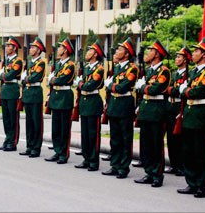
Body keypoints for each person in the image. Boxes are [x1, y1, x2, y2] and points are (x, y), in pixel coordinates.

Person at [134, 39, 170, 188]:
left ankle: (157, 174)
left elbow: (156, 89)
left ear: (156, 54)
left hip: (157, 111)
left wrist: (143, 87)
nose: (147, 54)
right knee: (146, 144)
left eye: (150, 52)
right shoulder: (149, 71)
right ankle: (149, 172)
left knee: (156, 144)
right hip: (147, 110)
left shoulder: (164, 71)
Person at [177, 37, 205, 198]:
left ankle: (202, 185)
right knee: (188, 151)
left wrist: (184, 90)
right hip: (190, 114)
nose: (193, 54)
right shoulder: (194, 72)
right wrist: (186, 90)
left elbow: (198, 92)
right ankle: (191, 182)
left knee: (200, 152)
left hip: (200, 115)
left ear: (204, 54)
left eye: (196, 51)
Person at [102, 37, 138, 179]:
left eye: (120, 49)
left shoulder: (132, 68)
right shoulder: (117, 68)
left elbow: (122, 88)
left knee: (125, 138)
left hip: (124, 105)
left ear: (127, 54)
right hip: (115, 105)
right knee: (115, 138)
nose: (117, 51)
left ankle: (124, 167)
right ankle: (115, 165)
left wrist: (110, 86)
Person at [73, 39, 105, 171]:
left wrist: (80, 84)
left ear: (95, 54)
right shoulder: (86, 68)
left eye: (90, 50)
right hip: (85, 102)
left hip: (93, 101)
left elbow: (89, 85)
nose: (87, 53)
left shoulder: (99, 69)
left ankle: (93, 161)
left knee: (93, 134)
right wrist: (81, 85)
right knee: (85, 133)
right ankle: (86, 158)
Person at [45, 38, 75, 164]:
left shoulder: (70, 65)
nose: (58, 50)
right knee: (56, 127)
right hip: (56, 96)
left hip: (64, 96)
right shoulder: (58, 65)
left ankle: (64, 153)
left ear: (66, 51)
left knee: (64, 128)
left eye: (61, 47)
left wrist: (53, 80)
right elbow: (53, 80)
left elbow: (62, 79)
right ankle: (57, 151)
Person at [164, 46, 191, 177]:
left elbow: (177, 91)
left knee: (180, 139)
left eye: (179, 57)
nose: (176, 59)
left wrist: (173, 90)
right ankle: (174, 164)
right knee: (170, 138)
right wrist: (173, 90)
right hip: (170, 106)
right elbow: (169, 90)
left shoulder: (189, 74)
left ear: (185, 60)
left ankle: (182, 165)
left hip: (180, 107)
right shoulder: (174, 74)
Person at [19, 37, 46, 157]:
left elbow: (34, 77)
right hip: (28, 93)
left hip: (35, 92)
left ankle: (36, 147)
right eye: (30, 47)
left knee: (36, 122)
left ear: (39, 50)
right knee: (29, 122)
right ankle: (29, 146)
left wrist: (25, 78)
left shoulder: (41, 63)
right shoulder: (30, 63)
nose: (31, 49)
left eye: (33, 48)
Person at [0, 36, 23, 152]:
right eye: (6, 46)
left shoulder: (18, 61)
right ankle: (7, 140)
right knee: (6, 118)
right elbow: (2, 76)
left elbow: (9, 75)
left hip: (12, 91)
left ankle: (13, 142)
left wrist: (3, 76)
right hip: (5, 91)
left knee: (13, 118)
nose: (6, 48)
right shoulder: (6, 61)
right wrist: (3, 76)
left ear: (14, 48)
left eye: (9, 46)